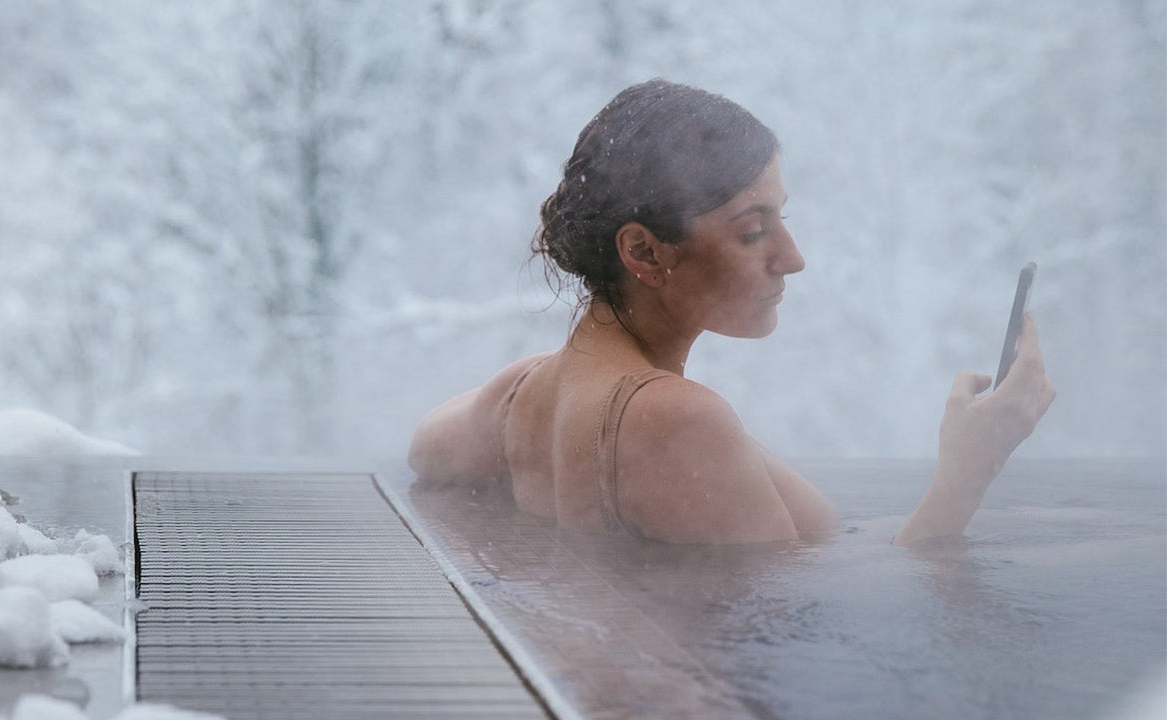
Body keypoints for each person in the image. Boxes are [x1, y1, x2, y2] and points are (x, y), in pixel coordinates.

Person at [408, 79, 1055, 546]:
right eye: (753, 230)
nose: (792, 258)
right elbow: (848, 622)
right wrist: (972, 469)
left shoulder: (521, 392)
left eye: (783, 220)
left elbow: (424, 448)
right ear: (643, 251)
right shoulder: (672, 420)